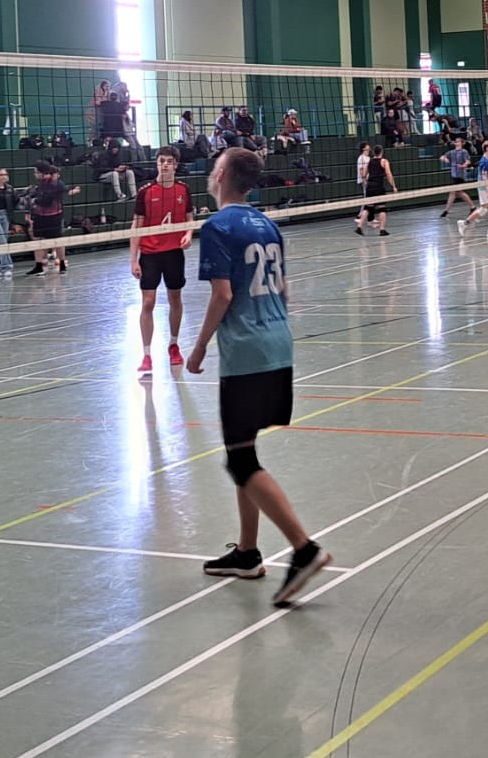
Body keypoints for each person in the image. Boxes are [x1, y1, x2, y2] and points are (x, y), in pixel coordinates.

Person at [187, 148, 334, 607]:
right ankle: (248, 553)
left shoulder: (217, 227)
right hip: (277, 343)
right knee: (243, 449)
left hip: (246, 354)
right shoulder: (267, 224)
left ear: (224, 175)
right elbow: (284, 289)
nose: (210, 174)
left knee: (239, 462)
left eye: (215, 167)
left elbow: (223, 295)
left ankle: (304, 548)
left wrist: (197, 349)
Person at [131, 147, 195, 374]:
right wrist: (133, 260)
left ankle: (174, 345)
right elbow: (136, 227)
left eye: (169, 161)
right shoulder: (145, 192)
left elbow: (189, 219)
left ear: (175, 165)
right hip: (149, 254)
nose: (165, 165)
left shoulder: (183, 190)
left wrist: (188, 234)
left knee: (175, 299)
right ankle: (146, 354)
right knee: (147, 302)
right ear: (157, 164)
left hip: (174, 253)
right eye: (161, 161)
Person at [25, 162, 78, 275]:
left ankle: (62, 264)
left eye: (36, 172)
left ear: (42, 173)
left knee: (57, 241)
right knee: (38, 240)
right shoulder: (42, 184)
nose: (34, 174)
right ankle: (39, 266)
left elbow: (46, 201)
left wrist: (34, 201)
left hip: (54, 216)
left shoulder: (55, 184)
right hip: (40, 216)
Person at [459, 142, 488, 238]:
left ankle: (464, 223)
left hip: (484, 187)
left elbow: (486, 176)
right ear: (487, 149)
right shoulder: (484, 161)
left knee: (483, 209)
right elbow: (483, 177)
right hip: (483, 187)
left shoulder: (485, 160)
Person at [354, 143, 395, 236]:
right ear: (381, 152)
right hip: (378, 187)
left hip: (370, 186)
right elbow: (389, 174)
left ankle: (359, 226)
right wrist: (393, 186)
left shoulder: (370, 161)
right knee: (382, 208)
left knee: (368, 207)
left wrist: (365, 181)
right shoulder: (384, 161)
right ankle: (382, 230)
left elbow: (364, 174)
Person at [439, 137, 475, 217]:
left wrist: (463, 165)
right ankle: (446, 210)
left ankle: (473, 207)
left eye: (459, 141)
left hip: (460, 175)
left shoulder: (464, 152)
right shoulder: (452, 152)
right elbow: (441, 157)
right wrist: (445, 159)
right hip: (454, 174)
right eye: (456, 141)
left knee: (458, 191)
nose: (457, 142)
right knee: (453, 192)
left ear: (462, 143)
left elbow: (468, 161)